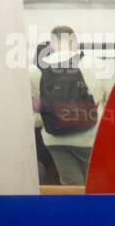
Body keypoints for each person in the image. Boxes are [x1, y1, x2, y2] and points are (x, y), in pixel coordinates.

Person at [31, 26, 106, 185]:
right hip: (90, 138)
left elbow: (35, 112)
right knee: (95, 186)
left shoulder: (35, 71)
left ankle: (76, 209)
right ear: (75, 42)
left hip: (55, 140)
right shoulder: (94, 64)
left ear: (51, 45)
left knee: (72, 188)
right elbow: (112, 99)